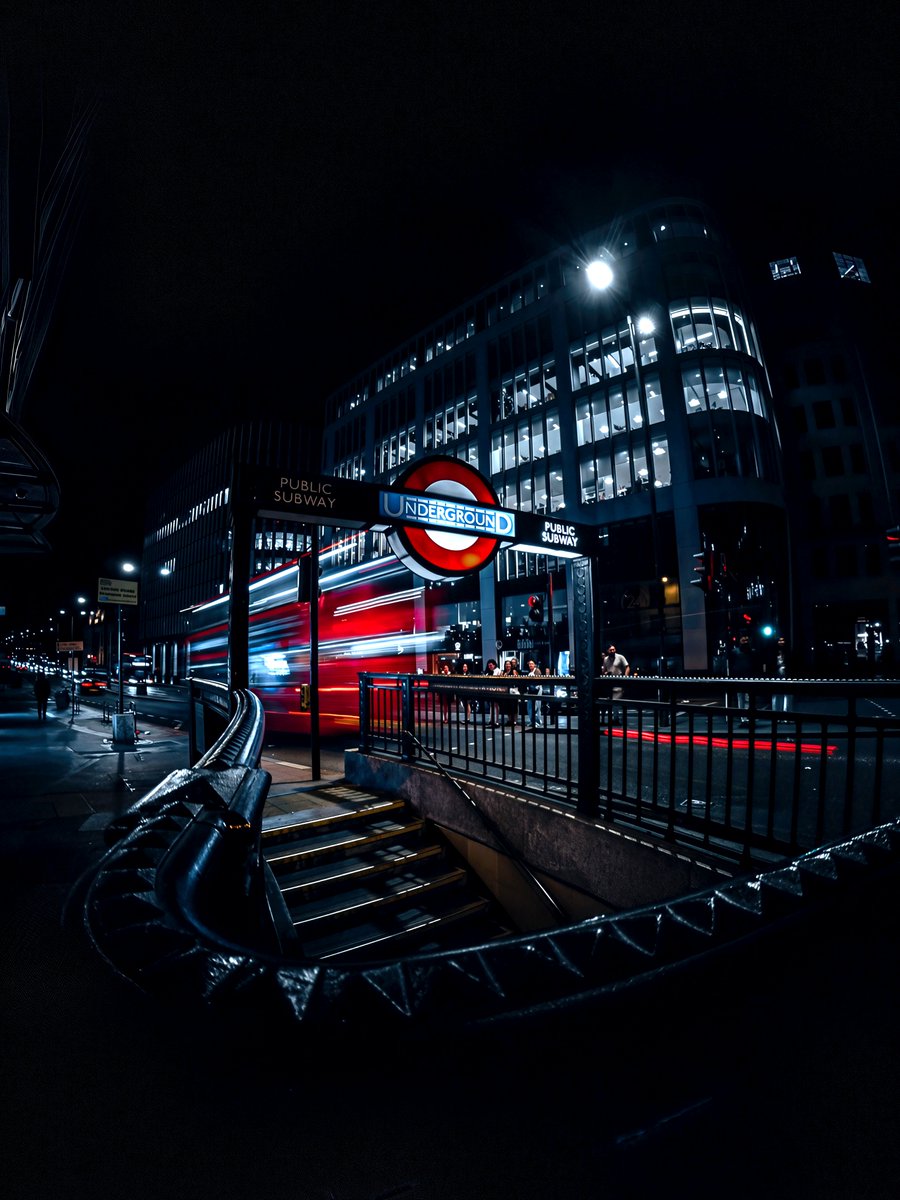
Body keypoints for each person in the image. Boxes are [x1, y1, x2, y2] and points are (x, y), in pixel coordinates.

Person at [601, 643, 630, 724]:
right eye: (611, 650)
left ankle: (616, 718)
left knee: (615, 699)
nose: (612, 651)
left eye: (614, 649)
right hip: (609, 682)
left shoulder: (620, 657)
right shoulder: (606, 659)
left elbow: (627, 666)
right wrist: (605, 673)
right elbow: (604, 670)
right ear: (607, 651)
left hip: (619, 680)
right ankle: (613, 718)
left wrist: (625, 677)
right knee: (609, 700)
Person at [524, 658, 544, 727]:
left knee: (536, 706)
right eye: (529, 664)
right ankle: (532, 721)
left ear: (535, 665)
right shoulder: (529, 673)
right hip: (531, 690)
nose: (530, 665)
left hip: (537, 690)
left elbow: (537, 681)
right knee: (530, 706)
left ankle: (537, 722)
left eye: (532, 664)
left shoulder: (537, 671)